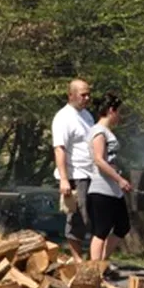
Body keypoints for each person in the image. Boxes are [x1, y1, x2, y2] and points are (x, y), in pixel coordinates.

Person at [86, 92, 132, 261]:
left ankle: (102, 262)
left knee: (122, 226)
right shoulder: (98, 131)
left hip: (114, 191)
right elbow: (99, 159)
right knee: (101, 231)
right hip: (101, 189)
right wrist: (119, 179)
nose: (119, 116)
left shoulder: (107, 132)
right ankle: (94, 271)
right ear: (111, 111)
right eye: (118, 112)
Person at [52, 78, 95, 261]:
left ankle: (93, 259)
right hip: (75, 175)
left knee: (92, 217)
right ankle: (78, 259)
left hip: (91, 173)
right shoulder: (63, 117)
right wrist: (63, 178)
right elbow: (59, 148)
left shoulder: (87, 116)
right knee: (78, 217)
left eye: (88, 94)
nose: (87, 98)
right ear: (71, 95)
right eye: (83, 94)